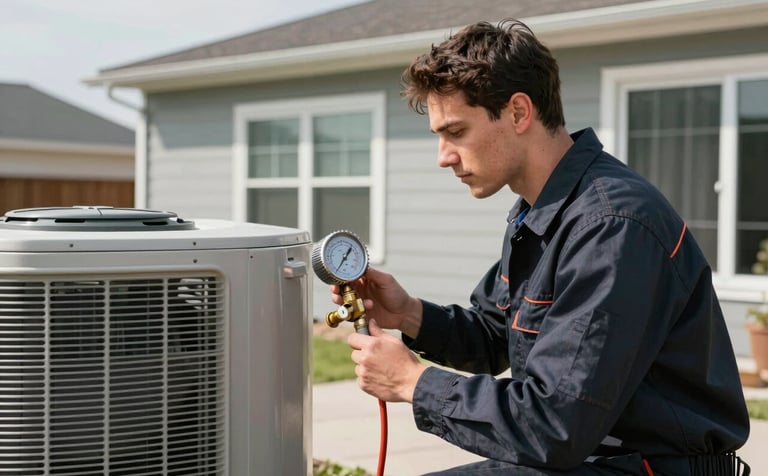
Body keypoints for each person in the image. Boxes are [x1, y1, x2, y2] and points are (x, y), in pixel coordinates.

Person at [330, 19, 750, 475]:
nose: (444, 156)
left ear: (518, 112)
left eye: (456, 132)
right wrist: (409, 313)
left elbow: (553, 425)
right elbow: (498, 338)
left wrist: (415, 381)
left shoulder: (610, 226)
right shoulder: (540, 213)